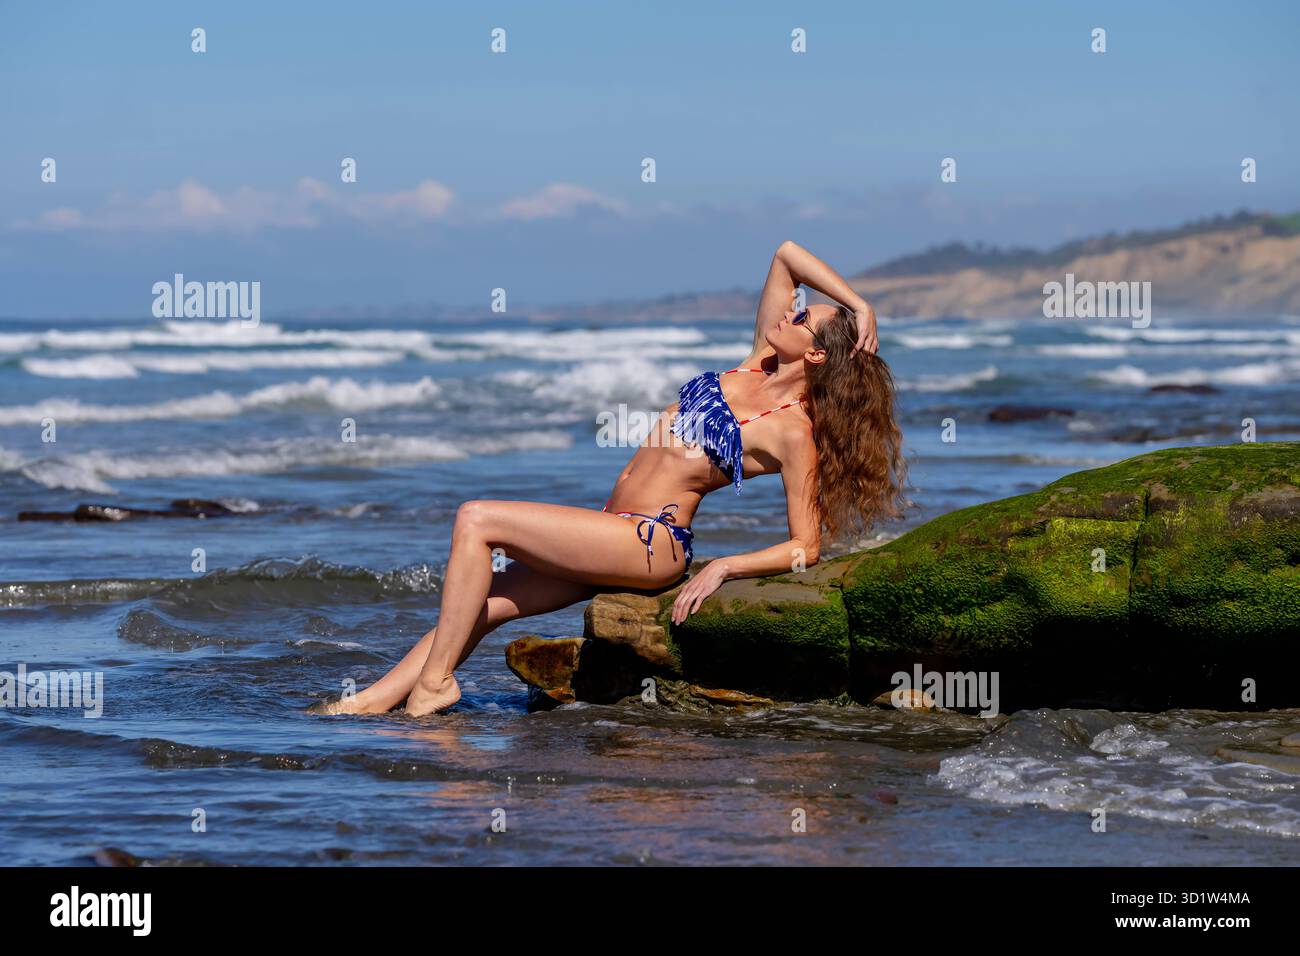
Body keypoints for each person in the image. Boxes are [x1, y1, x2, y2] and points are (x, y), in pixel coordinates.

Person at [315, 240, 908, 717]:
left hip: (651, 544)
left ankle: (437, 685)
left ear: (817, 358)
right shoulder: (755, 361)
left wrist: (727, 565)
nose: (789, 310)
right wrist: (860, 305)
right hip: (612, 528)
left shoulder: (791, 432)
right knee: (487, 603)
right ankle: (374, 700)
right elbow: (786, 253)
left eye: (802, 318)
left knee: (477, 520)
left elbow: (807, 545)